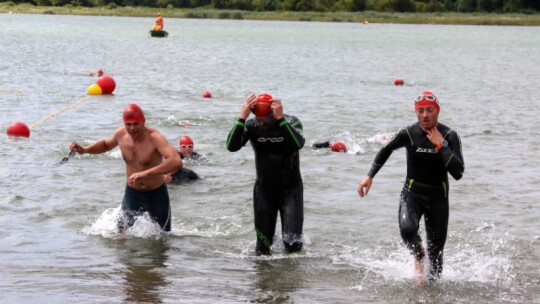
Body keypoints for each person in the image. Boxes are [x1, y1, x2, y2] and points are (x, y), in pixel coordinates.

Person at [356, 91, 464, 281]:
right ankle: (418, 256)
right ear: (415, 112)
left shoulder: (450, 135)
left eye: (430, 110)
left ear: (437, 111)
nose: (425, 115)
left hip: (438, 198)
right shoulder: (409, 133)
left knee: (436, 257)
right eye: (420, 110)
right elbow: (386, 148)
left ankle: (432, 295)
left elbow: (458, 173)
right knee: (407, 230)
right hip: (412, 193)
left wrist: (440, 145)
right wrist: (369, 175)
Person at [69, 103, 182, 232]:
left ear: (143, 122)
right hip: (133, 193)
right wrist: (84, 150)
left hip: (157, 194)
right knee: (121, 233)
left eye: (136, 124)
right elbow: (106, 145)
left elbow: (176, 161)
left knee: (164, 236)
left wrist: (145, 173)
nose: (132, 128)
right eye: (128, 124)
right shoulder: (120, 134)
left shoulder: (155, 137)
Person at [226, 92, 305, 255]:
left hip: (291, 191)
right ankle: (264, 280)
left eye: (265, 120)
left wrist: (281, 120)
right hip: (263, 191)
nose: (261, 124)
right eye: (258, 119)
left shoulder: (291, 122)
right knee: (262, 248)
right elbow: (231, 146)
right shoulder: (251, 126)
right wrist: (242, 117)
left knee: (292, 245)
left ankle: (292, 280)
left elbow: (298, 143)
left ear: (273, 114)